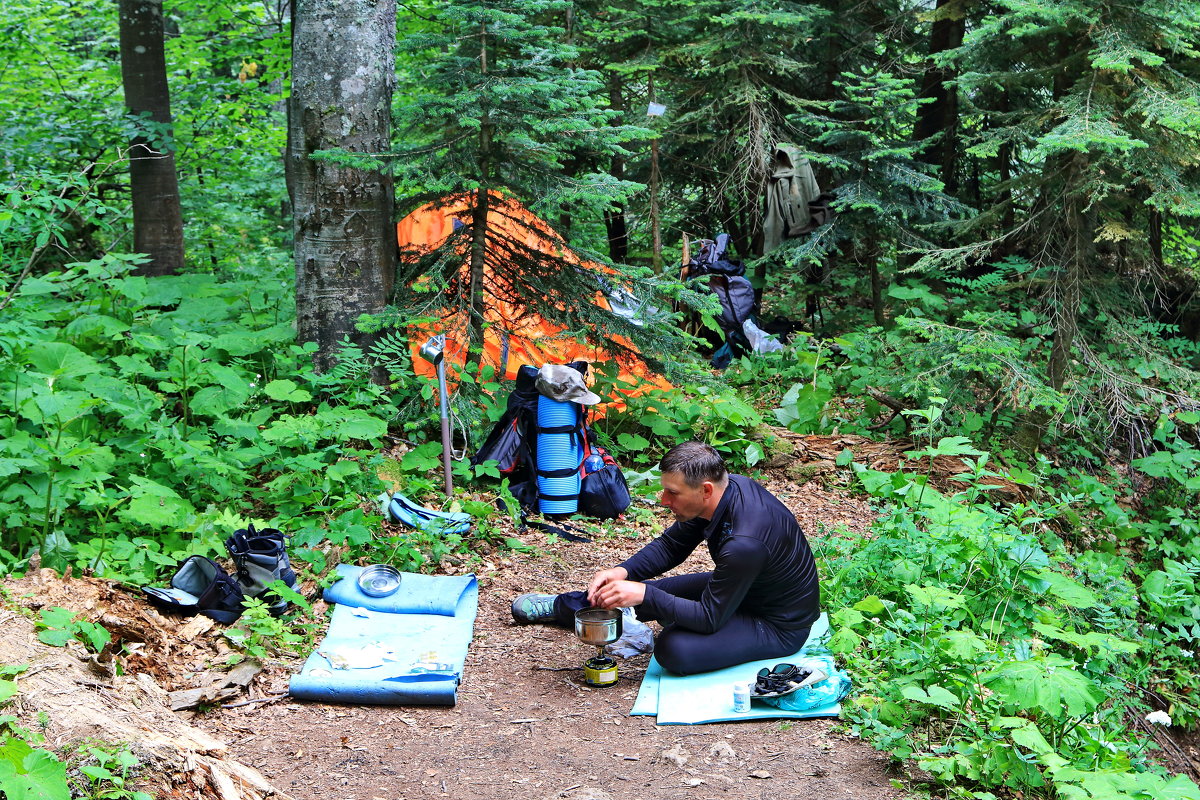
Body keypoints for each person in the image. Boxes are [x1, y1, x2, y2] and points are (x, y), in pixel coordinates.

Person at [511, 441, 820, 675]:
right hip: (743, 589)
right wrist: (623, 571)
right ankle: (562, 607)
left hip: (775, 624)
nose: (663, 500)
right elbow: (672, 546)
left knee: (673, 649)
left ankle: (681, 625)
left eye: (672, 493)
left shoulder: (745, 542)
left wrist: (646, 593)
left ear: (706, 490)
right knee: (640, 595)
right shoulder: (726, 490)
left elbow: (710, 617)